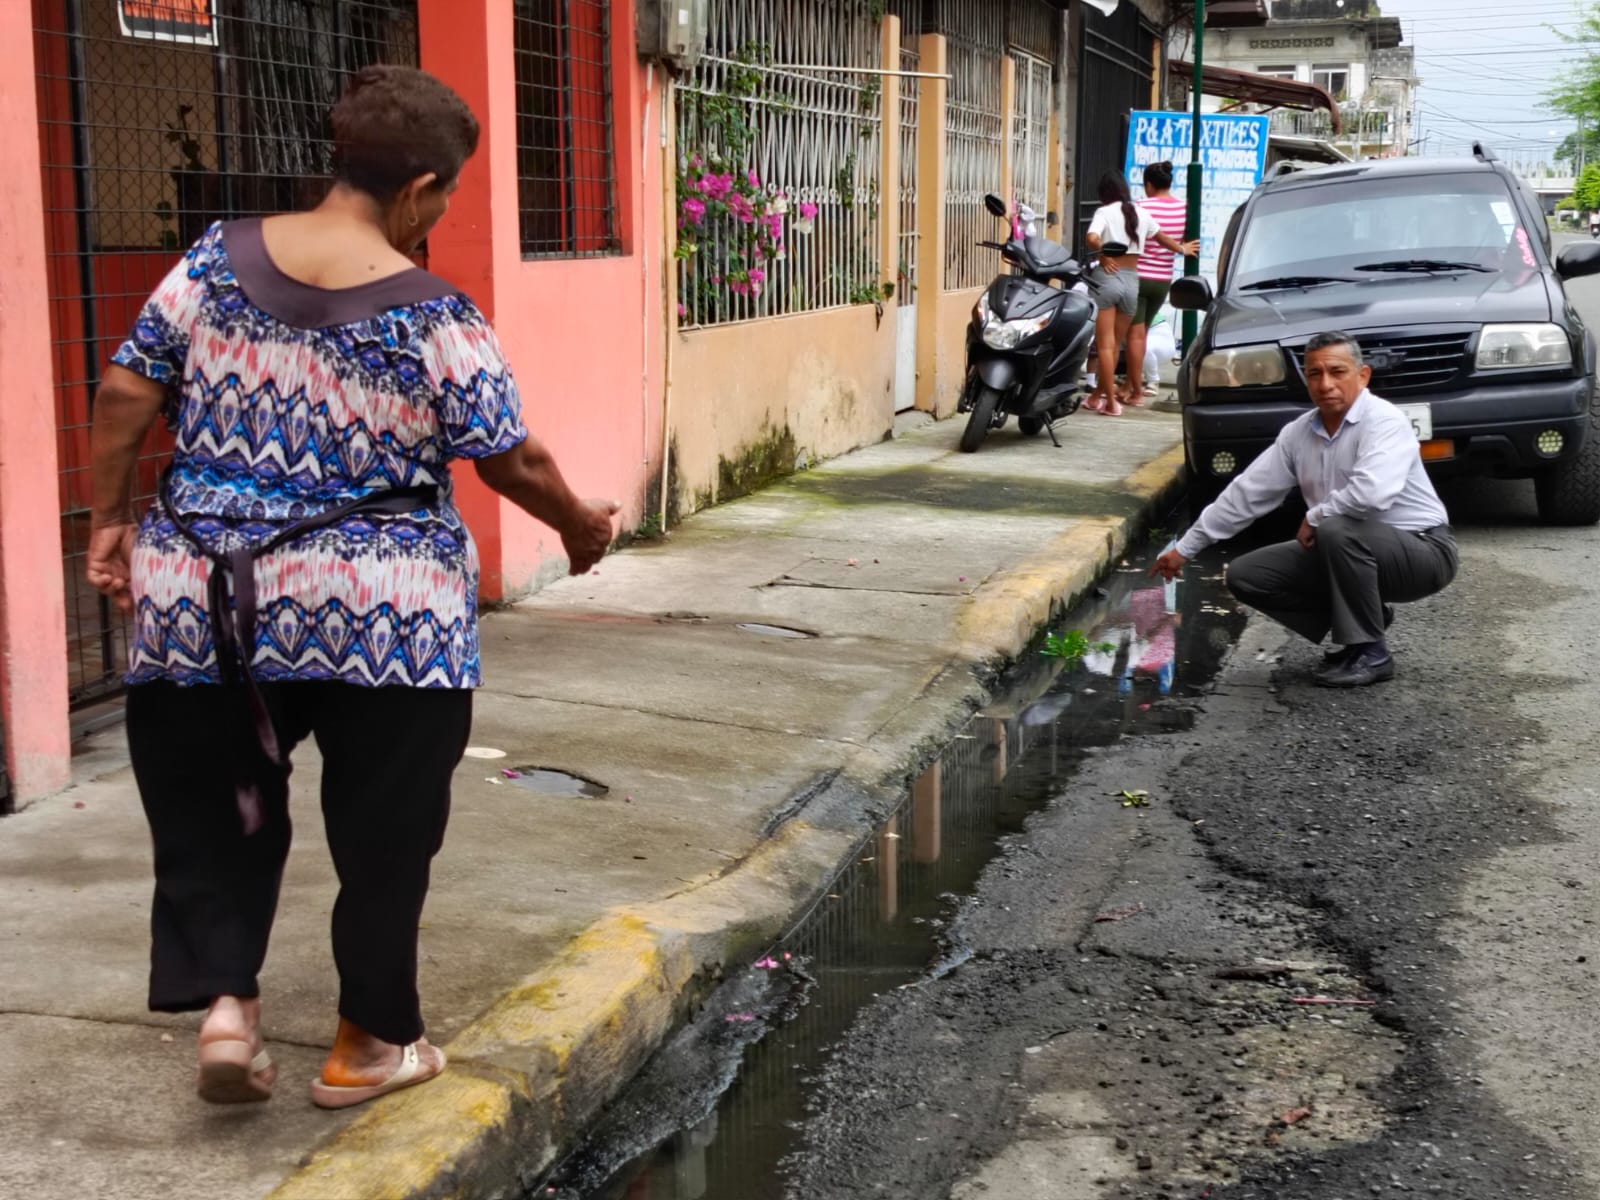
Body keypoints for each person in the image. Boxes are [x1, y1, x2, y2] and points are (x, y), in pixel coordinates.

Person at [85, 64, 618, 1108]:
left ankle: (228, 1006)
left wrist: (109, 520)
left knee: (219, 804)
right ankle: (368, 1045)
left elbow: (122, 390)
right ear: (420, 190)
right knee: (385, 828)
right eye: (446, 198)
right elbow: (510, 458)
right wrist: (580, 527)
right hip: (386, 610)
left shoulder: (214, 259)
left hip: (206, 596)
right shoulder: (433, 312)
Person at [1151, 331, 1457, 688]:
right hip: (1352, 550)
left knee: (1336, 526)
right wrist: (1184, 549)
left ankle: (1372, 653)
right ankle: (1365, 624)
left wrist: (1315, 516)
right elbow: (1247, 493)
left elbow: (1372, 495)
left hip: (1423, 552)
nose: (1325, 384)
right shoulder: (1298, 433)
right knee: (1247, 575)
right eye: (1315, 373)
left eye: (1337, 372)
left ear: (1363, 376)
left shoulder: (1384, 421)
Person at [1083, 171, 1197, 417]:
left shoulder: (1104, 212)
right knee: (1116, 345)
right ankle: (1095, 398)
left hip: (1108, 277)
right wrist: (1182, 249)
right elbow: (1161, 237)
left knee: (1105, 345)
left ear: (1103, 194)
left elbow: (1091, 237)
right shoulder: (1140, 213)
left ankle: (1110, 402)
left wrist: (1103, 252)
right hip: (1131, 281)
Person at [1120, 161, 1191, 406]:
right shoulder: (1184, 209)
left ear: (1149, 184)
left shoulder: (1140, 206)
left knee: (1135, 336)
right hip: (1162, 281)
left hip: (1138, 277)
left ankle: (1135, 392)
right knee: (1141, 334)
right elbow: (1184, 240)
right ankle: (1129, 386)